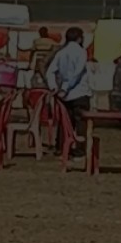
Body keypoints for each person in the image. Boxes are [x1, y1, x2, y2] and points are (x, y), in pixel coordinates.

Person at [45, 26, 90, 158]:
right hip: (79, 92)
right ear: (79, 38)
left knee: (65, 122)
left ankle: (62, 147)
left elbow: (50, 72)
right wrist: (66, 87)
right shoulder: (81, 52)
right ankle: (80, 150)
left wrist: (54, 87)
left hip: (64, 95)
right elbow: (77, 73)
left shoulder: (61, 53)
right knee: (81, 122)